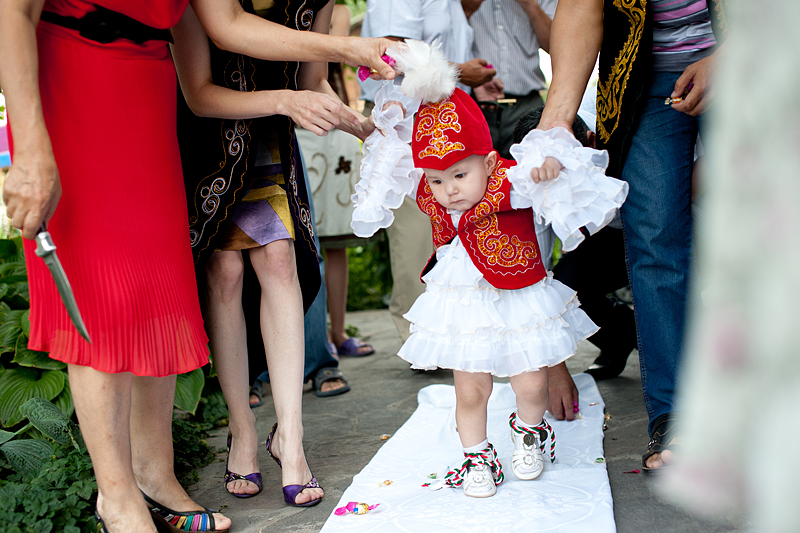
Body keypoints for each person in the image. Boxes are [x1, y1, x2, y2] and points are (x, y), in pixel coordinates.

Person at [0, 0, 395, 530]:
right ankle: (117, 498)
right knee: (101, 291)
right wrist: (29, 149)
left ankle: (155, 472)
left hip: (151, 85)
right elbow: (12, 12)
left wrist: (351, 66)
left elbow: (228, 25)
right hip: (77, 72)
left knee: (158, 286)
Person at [357, 82, 626, 497]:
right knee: (470, 390)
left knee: (531, 384)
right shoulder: (432, 192)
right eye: (437, 180)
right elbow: (391, 158)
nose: (449, 190)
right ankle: (477, 456)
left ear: (488, 162)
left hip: (519, 297)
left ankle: (529, 431)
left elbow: (555, 177)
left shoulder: (512, 182)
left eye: (460, 175)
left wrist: (550, 164)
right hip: (464, 304)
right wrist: (389, 120)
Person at [172, 0, 381, 506]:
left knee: (279, 258)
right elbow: (198, 95)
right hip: (208, 138)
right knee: (224, 270)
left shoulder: (319, 0)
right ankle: (242, 428)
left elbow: (313, 81)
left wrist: (361, 125)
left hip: (270, 136)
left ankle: (291, 437)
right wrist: (287, 100)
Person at [535, 0, 728, 472]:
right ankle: (676, 416)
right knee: (655, 236)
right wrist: (556, 121)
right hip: (648, 79)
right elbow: (581, 7)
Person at [359, 0, 497, 342]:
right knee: (418, 232)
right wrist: (462, 72)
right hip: (406, 117)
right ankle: (422, 338)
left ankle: (455, 332)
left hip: (446, 116)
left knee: (452, 229)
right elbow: (389, 57)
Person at [513, 105, 637, 382]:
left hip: (678, 222)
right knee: (561, 289)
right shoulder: (532, 174)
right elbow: (536, 267)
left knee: (657, 279)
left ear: (592, 142)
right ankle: (622, 336)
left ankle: (670, 350)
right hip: (608, 234)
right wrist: (554, 369)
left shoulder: (624, 124)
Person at [296, 4, 375, 357]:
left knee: (336, 239)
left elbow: (329, 54)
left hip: (334, 123)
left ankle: (338, 332)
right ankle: (313, 339)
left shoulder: (335, 9)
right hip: (290, 124)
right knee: (300, 241)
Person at [463, 0, 557, 159]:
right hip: (474, 106)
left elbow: (556, 46)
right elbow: (446, 36)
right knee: (475, 171)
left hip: (527, 106)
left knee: (533, 169)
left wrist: (530, 5)